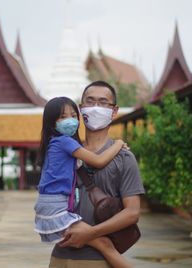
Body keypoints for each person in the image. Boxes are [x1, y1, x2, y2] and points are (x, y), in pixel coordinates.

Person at [49, 81, 145, 268]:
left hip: (97, 260)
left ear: (114, 111)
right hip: (59, 257)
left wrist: (90, 234)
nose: (95, 108)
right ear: (81, 108)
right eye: (90, 102)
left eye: (103, 103)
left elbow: (132, 213)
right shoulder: (64, 153)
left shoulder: (124, 158)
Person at [34, 96, 132, 268]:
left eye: (73, 116)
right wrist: (118, 144)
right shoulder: (64, 142)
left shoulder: (53, 143)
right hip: (55, 208)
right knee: (105, 244)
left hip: (48, 206)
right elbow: (98, 161)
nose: (70, 121)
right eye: (63, 117)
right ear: (52, 123)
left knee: (104, 245)